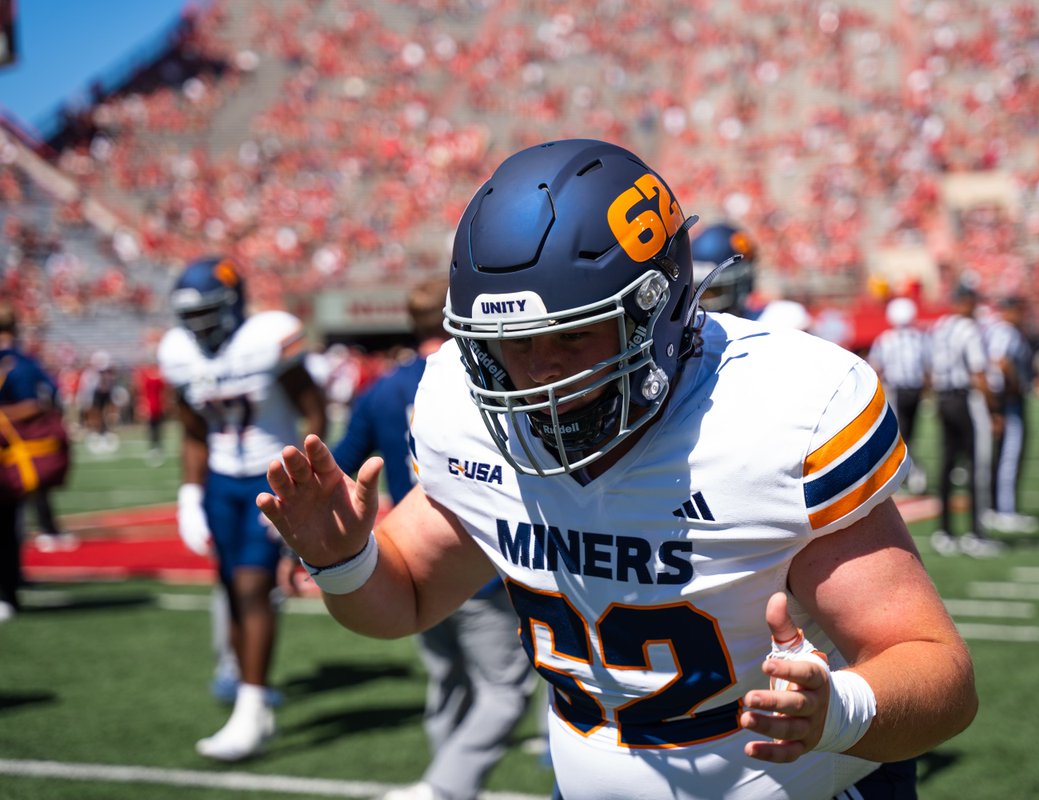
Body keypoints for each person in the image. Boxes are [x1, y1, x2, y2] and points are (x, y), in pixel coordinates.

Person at [257, 139, 977, 800]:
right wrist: (345, 562)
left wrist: (839, 710)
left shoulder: (776, 412)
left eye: (569, 336)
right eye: (512, 343)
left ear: (654, 311)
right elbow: (406, 599)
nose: (538, 374)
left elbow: (939, 673)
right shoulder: (462, 405)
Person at [331, 276, 534, 800]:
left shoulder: (381, 391)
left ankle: (442, 785)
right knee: (504, 690)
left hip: (409, 551)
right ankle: (444, 789)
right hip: (477, 559)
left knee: (447, 683)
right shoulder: (487, 378)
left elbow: (341, 465)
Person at [158, 256, 326, 760]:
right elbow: (192, 432)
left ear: (232, 304)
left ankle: (252, 708)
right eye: (192, 315)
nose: (199, 326)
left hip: (267, 475)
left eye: (209, 312)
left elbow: (312, 410)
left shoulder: (265, 339)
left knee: (254, 585)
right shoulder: (180, 354)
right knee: (231, 585)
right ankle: (247, 692)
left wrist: (305, 481)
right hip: (220, 482)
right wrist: (189, 494)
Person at [927, 283, 1002, 557]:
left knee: (947, 466)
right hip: (965, 400)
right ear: (967, 301)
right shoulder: (968, 329)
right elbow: (978, 372)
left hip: (945, 399)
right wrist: (994, 411)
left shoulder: (941, 326)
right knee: (977, 465)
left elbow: (931, 368)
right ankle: (976, 534)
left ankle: (945, 532)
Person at [0, 303, 62, 621]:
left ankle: (7, 590)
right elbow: (52, 397)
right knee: (12, 522)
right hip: (19, 456)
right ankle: (12, 583)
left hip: (8, 453)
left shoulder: (14, 364)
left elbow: (39, 402)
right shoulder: (26, 361)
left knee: (8, 523)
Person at [983, 295, 1039, 533]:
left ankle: (996, 507)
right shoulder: (1005, 332)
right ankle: (1005, 509)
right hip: (1008, 401)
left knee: (1001, 455)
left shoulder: (996, 330)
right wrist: (1014, 387)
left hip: (1002, 400)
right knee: (1010, 455)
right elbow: (1001, 363)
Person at [867, 296, 929, 495]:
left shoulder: (886, 340)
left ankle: (906, 473)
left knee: (899, 434)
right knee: (907, 433)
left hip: (897, 390)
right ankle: (909, 472)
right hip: (915, 390)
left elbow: (876, 368)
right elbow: (927, 368)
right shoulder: (920, 337)